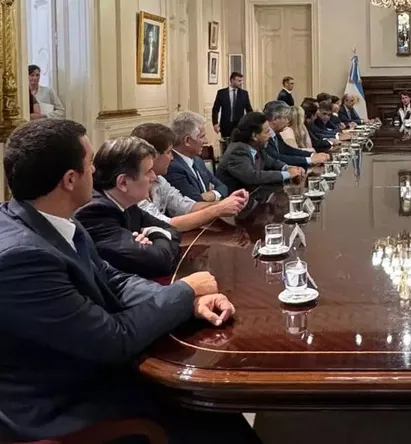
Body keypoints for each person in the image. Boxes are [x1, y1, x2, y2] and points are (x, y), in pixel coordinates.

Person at [0, 118, 259, 443]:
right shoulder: (22, 257)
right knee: (208, 414)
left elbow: (113, 280)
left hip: (86, 372)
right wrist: (185, 291)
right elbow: (113, 339)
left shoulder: (56, 221)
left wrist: (191, 301)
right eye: (90, 165)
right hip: (60, 404)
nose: (96, 172)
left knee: (215, 405)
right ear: (70, 180)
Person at [75, 137, 181, 279]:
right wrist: (158, 234)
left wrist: (152, 236)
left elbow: (173, 231)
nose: (154, 177)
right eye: (148, 171)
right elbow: (159, 262)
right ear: (123, 182)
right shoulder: (95, 212)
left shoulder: (127, 202)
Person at [131, 123, 248, 232]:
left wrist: (228, 203)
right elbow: (166, 224)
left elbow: (186, 207)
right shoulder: (132, 187)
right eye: (169, 152)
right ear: (152, 157)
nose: (172, 158)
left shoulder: (160, 180)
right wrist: (218, 209)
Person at [216, 111, 305, 192]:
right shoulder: (237, 151)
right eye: (266, 132)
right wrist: (288, 174)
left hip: (255, 196)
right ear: (254, 136)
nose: (270, 136)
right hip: (235, 201)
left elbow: (272, 162)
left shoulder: (257, 147)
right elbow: (252, 176)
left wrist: (287, 168)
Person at [165, 111, 229, 202]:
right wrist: (213, 194)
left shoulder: (198, 160)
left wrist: (212, 194)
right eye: (202, 136)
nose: (206, 141)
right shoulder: (172, 167)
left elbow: (223, 187)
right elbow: (194, 201)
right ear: (187, 140)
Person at [263, 100, 330, 168]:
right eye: (286, 118)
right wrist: (310, 160)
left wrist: (312, 155)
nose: (288, 121)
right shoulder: (264, 136)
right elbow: (277, 158)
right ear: (275, 119)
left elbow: (288, 150)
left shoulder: (275, 133)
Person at [211, 72, 253, 138]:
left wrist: (251, 124)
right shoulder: (222, 93)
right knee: (226, 143)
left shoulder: (244, 94)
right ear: (232, 80)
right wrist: (215, 123)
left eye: (241, 81)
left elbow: (249, 109)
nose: (241, 83)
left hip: (239, 126)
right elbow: (215, 109)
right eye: (239, 81)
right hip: (225, 126)